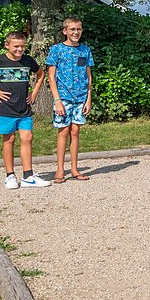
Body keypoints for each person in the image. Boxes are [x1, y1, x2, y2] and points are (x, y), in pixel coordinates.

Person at [0, 31, 48, 189]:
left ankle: (28, 175)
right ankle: (10, 175)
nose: (19, 49)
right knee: (9, 139)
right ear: (7, 45)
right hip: (5, 108)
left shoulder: (28, 60)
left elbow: (40, 74)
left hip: (23, 109)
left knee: (27, 138)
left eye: (22, 46)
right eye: (16, 46)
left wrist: (34, 92)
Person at [46, 16, 94, 183]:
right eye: (72, 29)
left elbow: (88, 76)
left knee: (75, 132)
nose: (76, 32)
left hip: (80, 97)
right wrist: (57, 100)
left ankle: (74, 169)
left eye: (78, 29)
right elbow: (51, 77)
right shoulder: (56, 50)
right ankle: (60, 169)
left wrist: (89, 99)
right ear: (65, 31)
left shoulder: (85, 50)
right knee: (63, 132)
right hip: (63, 98)